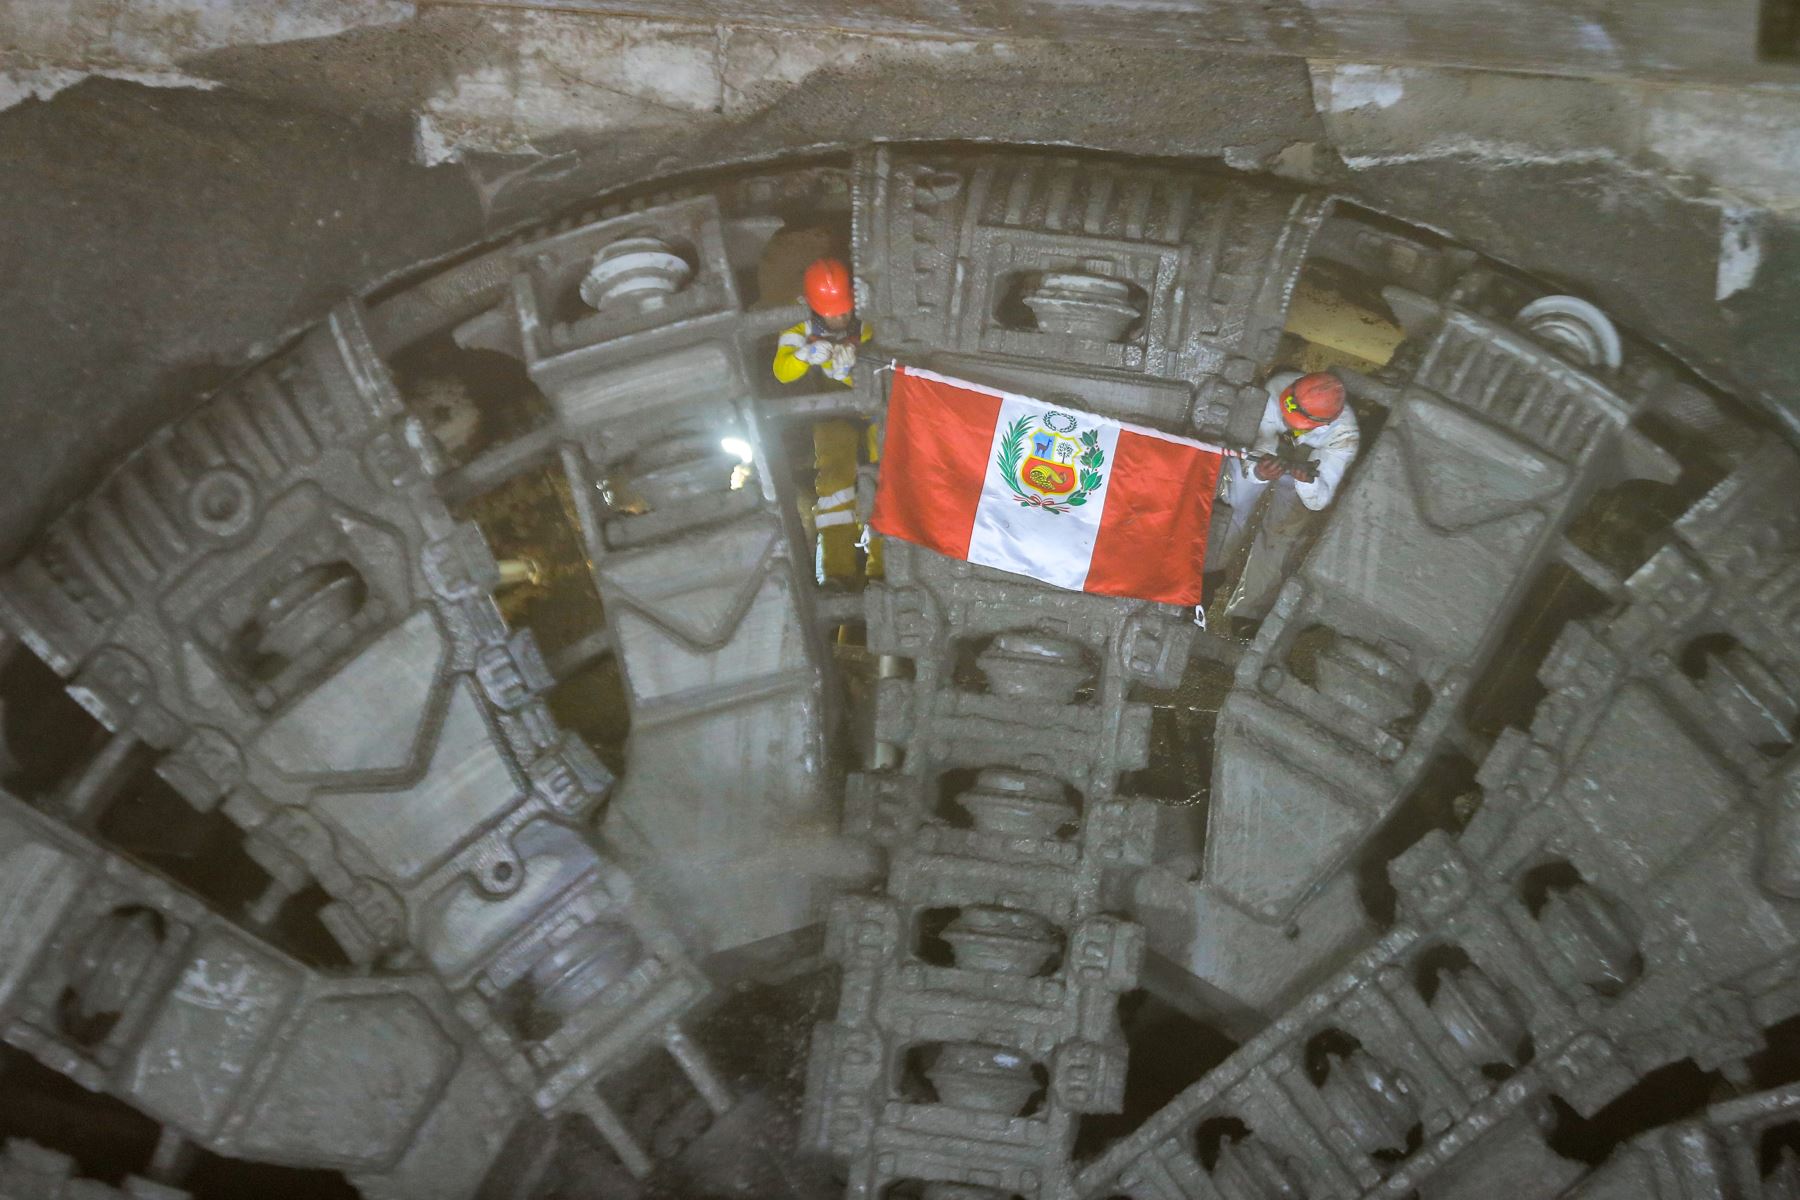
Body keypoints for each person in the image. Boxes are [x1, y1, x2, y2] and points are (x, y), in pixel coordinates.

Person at [1208, 370, 1360, 622]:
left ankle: (1248, 611)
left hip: (1307, 468)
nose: (1290, 422)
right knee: (1231, 505)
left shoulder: (1344, 436)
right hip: (1266, 454)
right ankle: (1207, 574)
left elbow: (1319, 499)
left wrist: (1307, 482)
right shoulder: (1278, 386)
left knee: (1281, 534)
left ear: (1324, 424)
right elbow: (1262, 437)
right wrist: (1258, 471)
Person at [773, 257, 872, 386]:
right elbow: (782, 374)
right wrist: (805, 354)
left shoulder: (866, 312)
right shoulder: (798, 319)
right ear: (814, 309)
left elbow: (877, 380)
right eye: (832, 314)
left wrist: (847, 374)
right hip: (821, 378)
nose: (841, 319)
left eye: (845, 311)